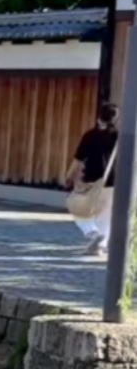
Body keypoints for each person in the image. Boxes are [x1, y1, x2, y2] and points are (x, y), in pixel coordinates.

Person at [66, 103, 119, 257]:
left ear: (98, 116)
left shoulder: (90, 135)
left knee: (77, 208)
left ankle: (93, 233)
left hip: (92, 179)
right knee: (106, 214)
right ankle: (100, 245)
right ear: (115, 119)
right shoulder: (119, 136)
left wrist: (69, 176)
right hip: (114, 180)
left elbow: (78, 159)